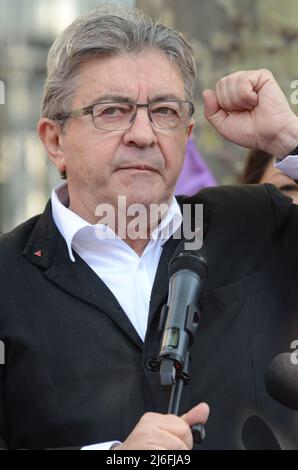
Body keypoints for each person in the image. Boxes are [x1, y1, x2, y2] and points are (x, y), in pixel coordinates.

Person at [1, 5, 298, 450]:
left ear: (187, 132)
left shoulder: (257, 221)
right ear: (54, 140)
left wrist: (289, 139)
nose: (143, 134)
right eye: (113, 111)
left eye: (163, 111)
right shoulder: (8, 280)